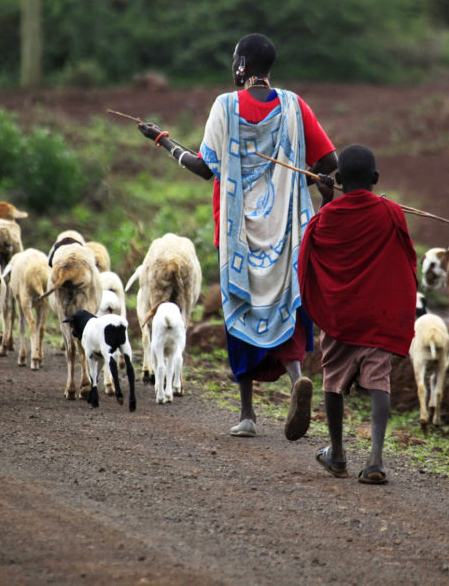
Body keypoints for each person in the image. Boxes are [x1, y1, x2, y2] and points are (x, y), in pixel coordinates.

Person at [136, 33, 337, 439]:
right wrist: (319, 180)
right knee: (285, 306)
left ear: (243, 65)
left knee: (241, 311)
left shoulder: (225, 107)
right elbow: (328, 161)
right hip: (286, 234)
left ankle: (247, 415)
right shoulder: (295, 106)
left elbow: (205, 166)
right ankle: (297, 376)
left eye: (234, 60)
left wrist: (163, 141)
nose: (233, 67)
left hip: (236, 237)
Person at [297, 144, 418, 484]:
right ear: (376, 179)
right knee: (379, 379)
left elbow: (313, 247)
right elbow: (407, 261)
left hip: (341, 316)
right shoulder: (392, 212)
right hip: (378, 315)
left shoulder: (328, 216)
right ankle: (376, 460)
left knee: (333, 379)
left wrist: (326, 199)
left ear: (336, 180)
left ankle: (336, 454)